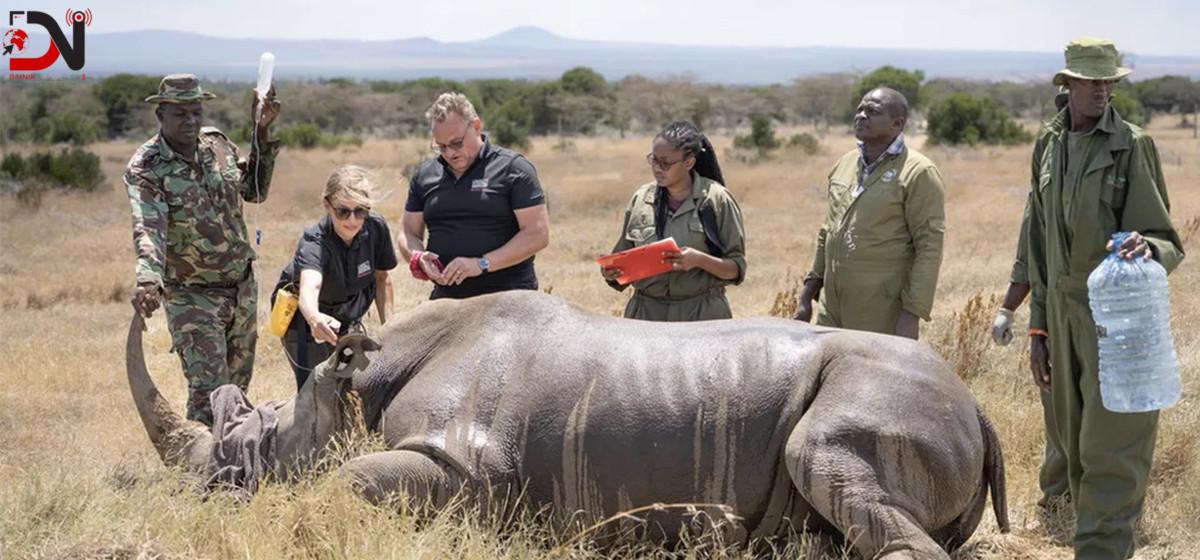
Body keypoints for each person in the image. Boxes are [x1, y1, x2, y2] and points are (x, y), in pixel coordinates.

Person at [1027, 38, 1185, 559]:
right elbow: (1037, 242)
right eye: (1091, 81)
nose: (1102, 90)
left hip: (1115, 317)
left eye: (1108, 81)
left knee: (1113, 440)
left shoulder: (1131, 145)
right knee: (1071, 438)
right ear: (1067, 84)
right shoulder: (1048, 145)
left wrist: (1146, 246)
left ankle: (1101, 547)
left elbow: (1165, 237)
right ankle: (1078, 524)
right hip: (1061, 313)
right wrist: (1037, 327)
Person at [125, 73, 280, 426]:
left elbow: (254, 191)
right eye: (180, 114)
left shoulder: (217, 145)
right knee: (209, 394)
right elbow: (149, 226)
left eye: (196, 112)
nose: (191, 121)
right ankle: (200, 459)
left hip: (241, 288)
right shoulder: (147, 167)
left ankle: (234, 455)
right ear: (160, 115)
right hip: (192, 297)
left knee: (236, 393)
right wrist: (148, 278)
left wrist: (261, 133)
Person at [793, 88, 945, 339]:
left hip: (881, 311)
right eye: (860, 109)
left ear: (897, 124)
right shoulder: (844, 164)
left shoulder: (918, 172)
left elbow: (929, 246)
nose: (862, 115)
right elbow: (828, 231)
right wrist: (808, 294)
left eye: (872, 111)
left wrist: (912, 315)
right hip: (832, 308)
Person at [992, 86, 1073, 518]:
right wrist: (1008, 309)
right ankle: (1058, 497)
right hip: (1051, 309)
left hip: (1098, 310)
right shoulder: (1047, 156)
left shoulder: (1125, 152)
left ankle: (1101, 497)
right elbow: (1029, 251)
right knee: (1054, 403)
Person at [400, 92, 550, 299]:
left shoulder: (513, 169)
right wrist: (417, 257)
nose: (450, 153)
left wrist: (481, 264)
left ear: (477, 126)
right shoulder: (425, 174)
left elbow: (537, 234)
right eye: (441, 147)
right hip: (446, 298)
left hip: (509, 297)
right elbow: (408, 232)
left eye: (456, 143)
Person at [600, 120, 747, 321]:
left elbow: (736, 269)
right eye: (654, 160)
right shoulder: (641, 198)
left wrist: (699, 260)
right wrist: (611, 270)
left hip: (701, 316)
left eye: (666, 163)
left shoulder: (716, 199)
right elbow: (623, 259)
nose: (657, 168)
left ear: (689, 163)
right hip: (647, 315)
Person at [273, 166, 397, 390]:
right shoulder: (314, 242)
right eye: (343, 212)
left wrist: (390, 331)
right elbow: (310, 286)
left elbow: (382, 278)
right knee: (316, 392)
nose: (352, 220)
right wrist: (314, 319)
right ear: (327, 205)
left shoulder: (376, 227)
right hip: (306, 323)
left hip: (345, 316)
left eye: (360, 211)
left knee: (352, 388)